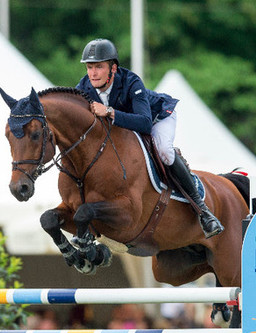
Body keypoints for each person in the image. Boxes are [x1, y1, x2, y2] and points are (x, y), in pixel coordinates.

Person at [76, 38, 223, 238]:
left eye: (99, 67)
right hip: (125, 127)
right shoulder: (83, 88)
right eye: (90, 67)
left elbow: (144, 123)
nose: (93, 73)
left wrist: (109, 111)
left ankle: (203, 210)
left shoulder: (131, 81)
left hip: (157, 117)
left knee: (164, 151)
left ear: (113, 68)